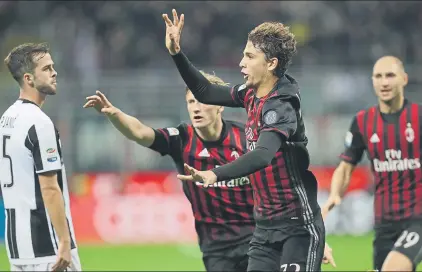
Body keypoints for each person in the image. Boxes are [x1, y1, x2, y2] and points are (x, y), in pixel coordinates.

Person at [162, 9, 335, 271]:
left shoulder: (281, 106)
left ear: (271, 64)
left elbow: (263, 155)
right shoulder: (250, 93)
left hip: (297, 227)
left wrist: (214, 175)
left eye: (249, 56)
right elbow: (206, 91)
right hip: (264, 230)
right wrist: (176, 53)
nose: (241, 62)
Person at [83, 71, 255, 272]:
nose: (196, 108)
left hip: (256, 240)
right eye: (191, 102)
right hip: (217, 249)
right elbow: (140, 133)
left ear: (219, 105)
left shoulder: (245, 136)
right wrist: (114, 115)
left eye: (202, 101)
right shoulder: (181, 139)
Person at [322, 56, 422, 271]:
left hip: (418, 218)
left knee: (393, 269)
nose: (384, 82)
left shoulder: (419, 117)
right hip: (385, 223)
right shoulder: (362, 121)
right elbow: (346, 166)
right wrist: (334, 195)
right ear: (372, 81)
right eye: (378, 76)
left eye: (390, 75)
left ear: (404, 79)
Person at [0, 43, 81, 271]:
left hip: (18, 248)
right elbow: (49, 188)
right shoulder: (39, 123)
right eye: (46, 68)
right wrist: (65, 242)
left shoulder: (6, 119)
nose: (54, 72)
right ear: (28, 78)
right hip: (48, 247)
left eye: (53, 66)